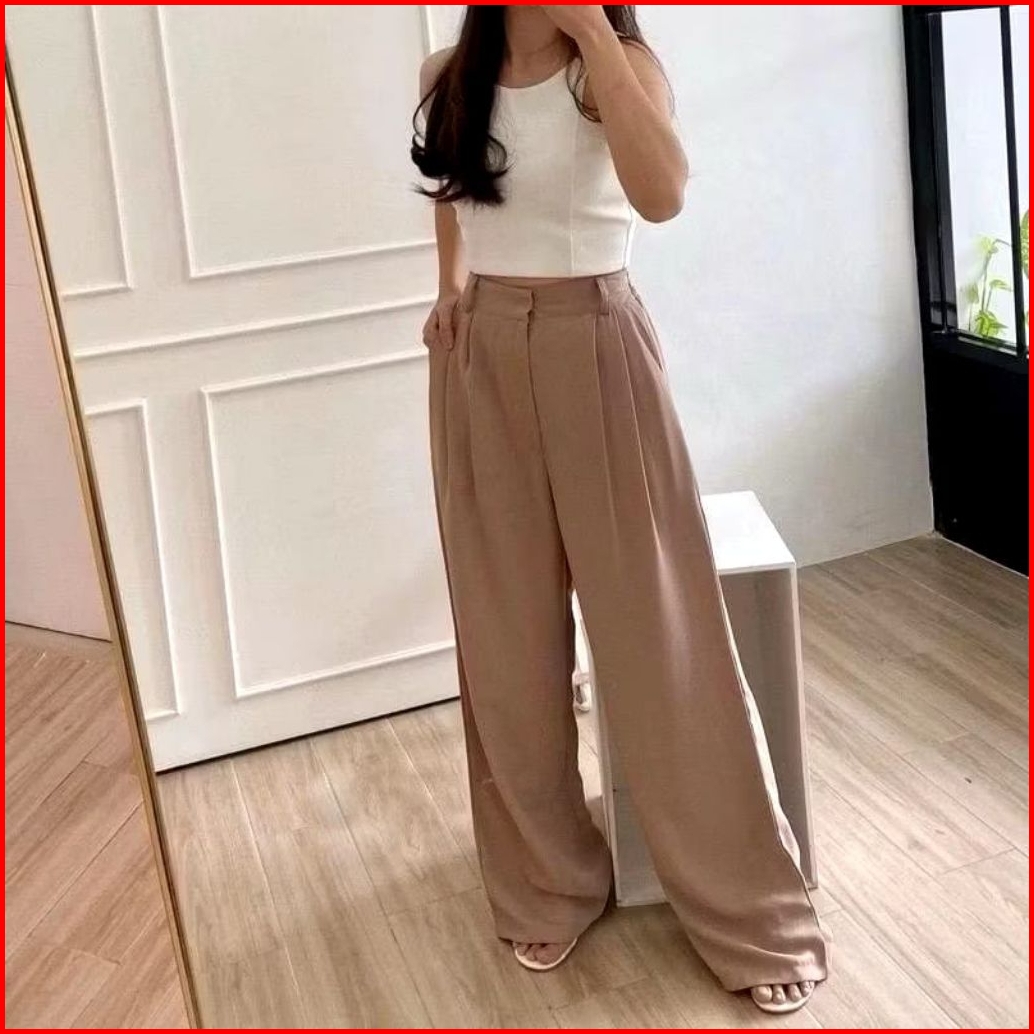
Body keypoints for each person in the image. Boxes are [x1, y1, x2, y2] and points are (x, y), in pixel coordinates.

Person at [411, 4, 829, 1016]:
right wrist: (450, 287)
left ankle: (748, 908)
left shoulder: (622, 63)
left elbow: (663, 196)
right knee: (506, 642)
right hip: (479, 357)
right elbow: (457, 197)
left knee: (662, 639)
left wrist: (598, 40)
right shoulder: (445, 71)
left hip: (596, 339)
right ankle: (546, 882)